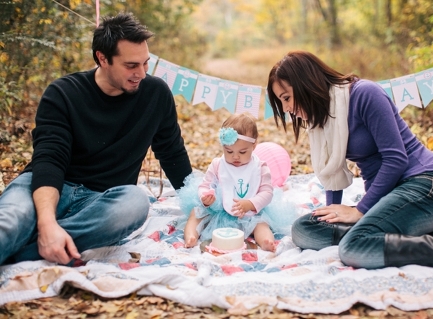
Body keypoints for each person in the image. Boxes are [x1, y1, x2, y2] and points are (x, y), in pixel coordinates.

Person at [0, 13, 192, 266]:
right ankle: (40, 238)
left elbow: (172, 153)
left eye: (146, 63)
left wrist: (196, 204)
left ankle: (26, 250)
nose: (142, 74)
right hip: (48, 188)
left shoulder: (155, 94)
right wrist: (46, 223)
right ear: (102, 58)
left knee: (135, 202)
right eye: (131, 65)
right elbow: (49, 160)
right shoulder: (63, 93)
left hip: (103, 200)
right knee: (11, 219)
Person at [266, 50, 433, 269]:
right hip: (387, 198)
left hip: (426, 187)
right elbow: (333, 171)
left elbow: (396, 159)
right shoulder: (323, 117)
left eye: (286, 98)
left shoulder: (364, 94)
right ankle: (388, 237)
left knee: (352, 248)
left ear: (305, 83)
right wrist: (334, 215)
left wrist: (360, 210)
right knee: (304, 229)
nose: (286, 109)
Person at [179, 112, 295, 252]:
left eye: (242, 152)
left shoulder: (260, 167)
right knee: (196, 213)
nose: (235, 156)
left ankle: (266, 241)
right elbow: (205, 185)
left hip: (249, 212)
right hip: (219, 209)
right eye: (229, 151)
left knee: (260, 223)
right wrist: (206, 198)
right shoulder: (218, 164)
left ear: (254, 145)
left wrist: (250, 203)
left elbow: (267, 192)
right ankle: (191, 236)